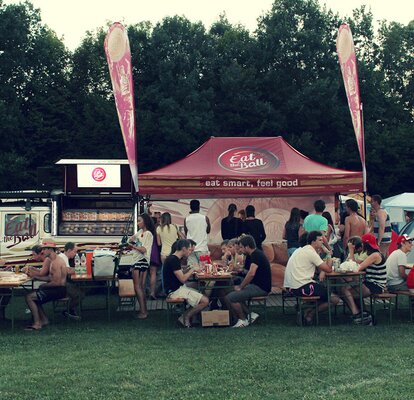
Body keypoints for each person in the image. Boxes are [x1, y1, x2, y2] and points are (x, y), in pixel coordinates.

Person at [284, 231, 340, 325]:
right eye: (320, 240)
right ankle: (309, 313)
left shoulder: (301, 250)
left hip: (291, 286)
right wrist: (329, 254)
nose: (322, 242)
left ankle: (305, 309)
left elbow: (319, 269)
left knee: (322, 292)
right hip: (302, 286)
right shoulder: (311, 253)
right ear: (313, 242)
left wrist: (322, 270)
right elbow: (329, 269)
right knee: (335, 299)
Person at [226, 235, 271, 328]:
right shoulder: (255, 254)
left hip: (260, 287)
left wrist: (241, 287)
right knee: (232, 291)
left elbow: (251, 273)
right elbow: (249, 272)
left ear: (247, 247)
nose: (241, 250)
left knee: (231, 297)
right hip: (257, 285)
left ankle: (243, 320)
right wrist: (240, 270)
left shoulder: (256, 255)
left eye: (242, 247)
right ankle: (250, 314)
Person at [162, 239, 209, 327]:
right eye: (189, 250)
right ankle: (186, 317)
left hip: (176, 288)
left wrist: (187, 269)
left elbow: (178, 274)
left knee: (199, 286)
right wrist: (193, 269)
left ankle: (196, 315)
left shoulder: (174, 258)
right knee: (205, 301)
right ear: (184, 249)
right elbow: (183, 279)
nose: (190, 252)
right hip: (174, 291)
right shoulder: (173, 260)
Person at [24, 239, 68, 331]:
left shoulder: (56, 262)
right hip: (56, 288)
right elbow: (49, 277)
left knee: (30, 297)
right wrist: (36, 277)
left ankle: (37, 323)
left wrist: (42, 285)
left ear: (50, 249)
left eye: (44, 249)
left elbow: (57, 282)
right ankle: (44, 320)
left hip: (60, 290)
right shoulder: (49, 260)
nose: (42, 251)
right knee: (34, 297)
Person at [128, 213, 154, 319]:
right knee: (141, 287)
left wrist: (133, 245)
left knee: (137, 287)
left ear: (145, 221)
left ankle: (143, 311)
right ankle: (144, 310)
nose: (138, 223)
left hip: (140, 260)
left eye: (139, 221)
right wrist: (132, 241)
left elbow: (143, 249)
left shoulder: (148, 234)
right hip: (142, 261)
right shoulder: (140, 232)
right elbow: (131, 239)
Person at [58, 242, 82, 320]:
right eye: (74, 251)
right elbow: (68, 271)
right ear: (69, 250)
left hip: (62, 282)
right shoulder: (63, 257)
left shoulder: (63, 257)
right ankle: (68, 310)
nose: (75, 254)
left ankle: (70, 309)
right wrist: (81, 269)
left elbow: (69, 270)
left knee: (79, 289)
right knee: (80, 294)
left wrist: (75, 269)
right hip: (60, 284)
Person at [184, 199, 211, 266]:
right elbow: (208, 231)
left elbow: (186, 232)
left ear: (190, 207)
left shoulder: (186, 219)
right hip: (203, 249)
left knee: (192, 271)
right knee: (204, 270)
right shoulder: (205, 218)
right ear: (199, 207)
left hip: (190, 249)